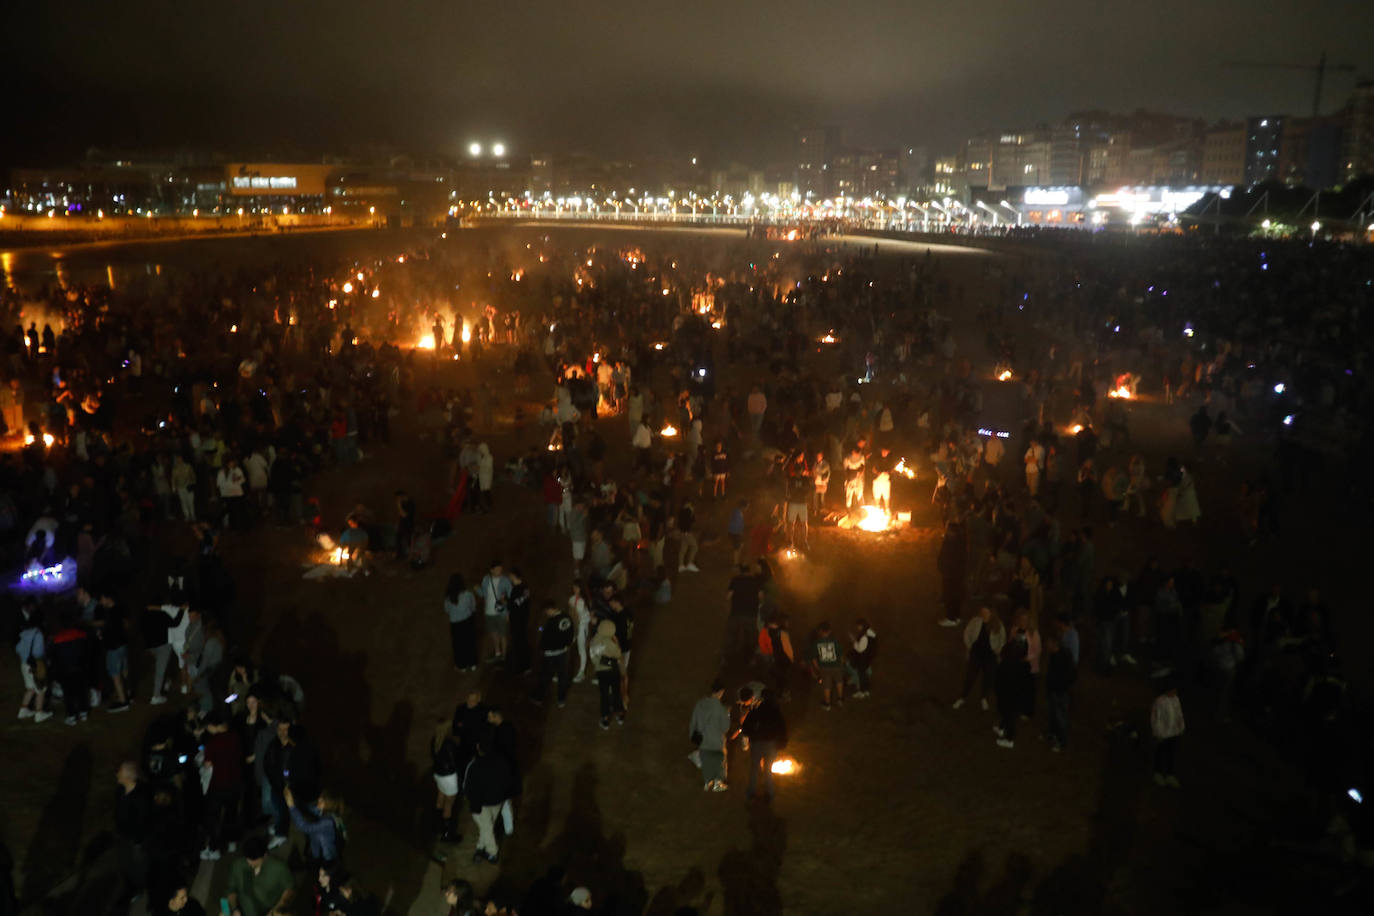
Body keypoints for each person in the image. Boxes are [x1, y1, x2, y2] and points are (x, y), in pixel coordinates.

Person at [200, 710, 244, 861]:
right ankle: (232, 842)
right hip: (235, 783)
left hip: (217, 785)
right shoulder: (235, 737)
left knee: (213, 818)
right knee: (231, 813)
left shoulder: (212, 743)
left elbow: (207, 764)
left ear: (213, 726)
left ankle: (214, 849)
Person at [463, 739, 511, 864]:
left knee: (487, 828)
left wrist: (472, 803)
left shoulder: (474, 765)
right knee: (487, 827)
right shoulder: (503, 761)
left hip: (481, 804)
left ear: (479, 749)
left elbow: (468, 787)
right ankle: (480, 846)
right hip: (497, 801)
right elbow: (507, 780)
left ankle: (492, 852)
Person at [737, 688, 787, 803]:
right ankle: (769, 794)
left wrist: (751, 736)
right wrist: (781, 743)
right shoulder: (776, 712)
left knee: (754, 769)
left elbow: (745, 728)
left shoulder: (756, 711)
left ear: (762, 698)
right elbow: (782, 729)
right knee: (768, 770)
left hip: (757, 744)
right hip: (771, 744)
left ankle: (751, 793)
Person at [226, 835, 294, 916]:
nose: (250, 863)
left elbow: (290, 889)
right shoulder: (237, 865)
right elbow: (231, 890)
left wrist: (276, 910)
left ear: (265, 856)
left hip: (268, 911)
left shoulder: (280, 868)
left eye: (254, 859)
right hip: (243, 911)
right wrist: (234, 909)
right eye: (248, 858)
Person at [953, 607, 1004, 711]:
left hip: (990, 655)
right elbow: (967, 633)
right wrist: (968, 647)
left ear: (992, 613)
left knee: (988, 677)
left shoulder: (998, 624)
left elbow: (1002, 640)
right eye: (983, 612)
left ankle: (983, 698)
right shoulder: (976, 621)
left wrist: (998, 653)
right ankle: (963, 697)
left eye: (987, 612)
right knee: (970, 676)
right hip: (976, 653)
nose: (984, 614)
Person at [284, 786, 344, 867]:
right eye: (321, 797)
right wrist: (292, 798)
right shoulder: (326, 811)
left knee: (317, 866)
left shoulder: (328, 822)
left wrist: (291, 807)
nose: (319, 799)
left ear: (329, 805)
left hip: (324, 854)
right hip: (318, 844)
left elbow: (304, 827)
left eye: (323, 800)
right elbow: (309, 809)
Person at [689, 680, 732, 791]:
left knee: (707, 760)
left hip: (703, 739)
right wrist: (727, 714)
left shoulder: (700, 703)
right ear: (721, 692)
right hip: (716, 740)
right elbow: (725, 727)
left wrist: (692, 734)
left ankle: (707, 783)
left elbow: (693, 720)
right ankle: (718, 784)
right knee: (719, 761)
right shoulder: (720, 708)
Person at [15, 605, 53, 722]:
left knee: (30, 688)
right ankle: (39, 713)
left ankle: (23, 710)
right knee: (41, 689)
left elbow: (18, 648)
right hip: (35, 665)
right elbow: (39, 652)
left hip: (24, 664)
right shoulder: (38, 634)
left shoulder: (25, 632)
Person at [994, 631, 1030, 749]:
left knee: (1010, 715)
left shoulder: (1016, 662)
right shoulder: (1018, 660)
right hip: (1009, 690)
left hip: (1012, 692)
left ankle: (1009, 739)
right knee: (1006, 711)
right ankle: (1002, 729)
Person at [533, 601, 574, 707]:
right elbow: (571, 633)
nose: (547, 614)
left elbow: (545, 636)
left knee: (545, 676)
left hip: (550, 654)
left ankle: (539, 697)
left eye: (547, 612)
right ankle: (561, 699)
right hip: (563, 652)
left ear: (550, 609)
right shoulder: (567, 617)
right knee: (562, 676)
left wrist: (540, 630)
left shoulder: (551, 622)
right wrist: (567, 644)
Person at [588, 619, 625, 729]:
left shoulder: (594, 641)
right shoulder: (609, 641)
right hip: (613, 671)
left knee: (604, 695)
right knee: (616, 692)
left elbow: (593, 658)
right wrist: (616, 643)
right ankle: (619, 715)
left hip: (601, 672)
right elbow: (618, 654)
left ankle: (605, 719)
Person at [431, 719, 462, 843]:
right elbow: (456, 761)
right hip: (449, 778)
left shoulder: (434, 741)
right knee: (448, 805)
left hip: (438, 775)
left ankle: (436, 825)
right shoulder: (449, 744)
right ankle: (446, 834)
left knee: (440, 798)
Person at [1044, 634, 1076, 752]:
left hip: (1059, 692)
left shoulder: (1062, 657)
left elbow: (1068, 676)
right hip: (1053, 691)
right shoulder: (1056, 655)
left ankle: (1062, 741)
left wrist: (1061, 687)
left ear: (1054, 644)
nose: (1046, 645)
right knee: (1052, 715)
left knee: (1060, 717)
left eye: (1048, 643)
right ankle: (1052, 734)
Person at [1151, 684, 1185, 788]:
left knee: (1171, 753)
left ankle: (1170, 774)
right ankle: (1158, 773)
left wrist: (1181, 727)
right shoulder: (1160, 701)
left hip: (1174, 733)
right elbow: (1156, 719)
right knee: (1160, 753)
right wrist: (1158, 733)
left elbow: (1179, 714)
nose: (1175, 692)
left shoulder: (1176, 700)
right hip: (1163, 734)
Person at [443, 574, 478, 672]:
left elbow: (446, 610)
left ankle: (461, 665)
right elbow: (473, 607)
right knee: (470, 642)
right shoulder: (468, 594)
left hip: (455, 624)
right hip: (467, 621)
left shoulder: (448, 598)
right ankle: (472, 663)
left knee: (458, 645)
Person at [479, 561, 512, 663]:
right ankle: (498, 653)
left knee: (502, 634)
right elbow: (483, 594)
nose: (499, 571)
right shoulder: (486, 579)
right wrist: (477, 589)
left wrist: (508, 612)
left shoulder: (505, 581)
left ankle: (504, 656)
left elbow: (511, 596)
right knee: (494, 634)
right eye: (497, 569)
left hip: (501, 613)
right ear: (491, 570)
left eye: (500, 569)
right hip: (489, 612)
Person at [808, 621, 845, 710]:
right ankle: (840, 699)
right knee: (839, 681)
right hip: (836, 666)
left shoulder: (816, 643)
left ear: (820, 631)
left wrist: (818, 668)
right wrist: (842, 664)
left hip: (824, 667)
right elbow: (840, 654)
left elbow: (814, 658)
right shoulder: (834, 641)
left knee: (827, 685)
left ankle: (827, 704)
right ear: (829, 631)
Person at [506, 568, 532, 674]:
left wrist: (505, 602)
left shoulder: (516, 590)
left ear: (513, 576)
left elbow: (513, 605)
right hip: (523, 619)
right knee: (523, 642)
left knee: (518, 643)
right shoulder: (525, 588)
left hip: (517, 621)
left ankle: (522, 666)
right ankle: (525, 665)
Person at [846, 619, 877, 698]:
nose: (857, 628)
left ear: (862, 626)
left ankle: (862, 692)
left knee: (862, 675)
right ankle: (866, 691)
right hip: (868, 658)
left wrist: (854, 641)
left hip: (862, 659)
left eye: (858, 626)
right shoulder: (871, 634)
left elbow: (860, 649)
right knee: (865, 675)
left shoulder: (864, 637)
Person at [677, 499, 699, 572]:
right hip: (687, 532)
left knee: (683, 549)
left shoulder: (681, 511)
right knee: (694, 547)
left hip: (682, 532)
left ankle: (681, 566)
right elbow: (692, 520)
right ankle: (690, 563)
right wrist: (692, 512)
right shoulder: (688, 511)